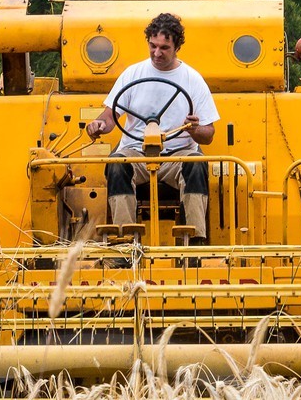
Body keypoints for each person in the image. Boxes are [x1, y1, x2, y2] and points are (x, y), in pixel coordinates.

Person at [85, 12, 218, 240]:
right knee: (117, 165)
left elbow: (209, 135)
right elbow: (109, 117)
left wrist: (195, 130)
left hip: (177, 156)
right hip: (136, 154)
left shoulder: (192, 80)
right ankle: (124, 242)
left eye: (164, 48)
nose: (157, 53)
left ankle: (194, 244)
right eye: (153, 46)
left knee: (196, 165)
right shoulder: (132, 75)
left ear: (177, 47)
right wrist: (97, 125)